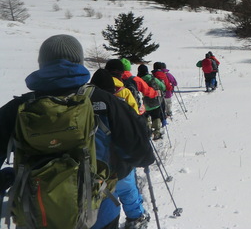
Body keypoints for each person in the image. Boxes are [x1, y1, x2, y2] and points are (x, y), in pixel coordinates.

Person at [0, 34, 154, 229]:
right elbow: (141, 155)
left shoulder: (18, 109)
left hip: (38, 214)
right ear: (79, 62)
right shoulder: (106, 102)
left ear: (42, 64)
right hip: (99, 212)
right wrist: (117, 167)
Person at [92, 64, 151, 229]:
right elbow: (135, 128)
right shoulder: (119, 104)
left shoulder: (81, 107)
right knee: (128, 190)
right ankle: (136, 217)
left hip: (96, 166)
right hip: (121, 161)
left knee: (103, 197)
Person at [137, 64, 165, 140]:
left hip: (144, 104)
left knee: (146, 117)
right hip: (155, 102)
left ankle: (147, 131)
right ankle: (157, 132)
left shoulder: (138, 80)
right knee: (156, 117)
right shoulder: (153, 79)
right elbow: (163, 87)